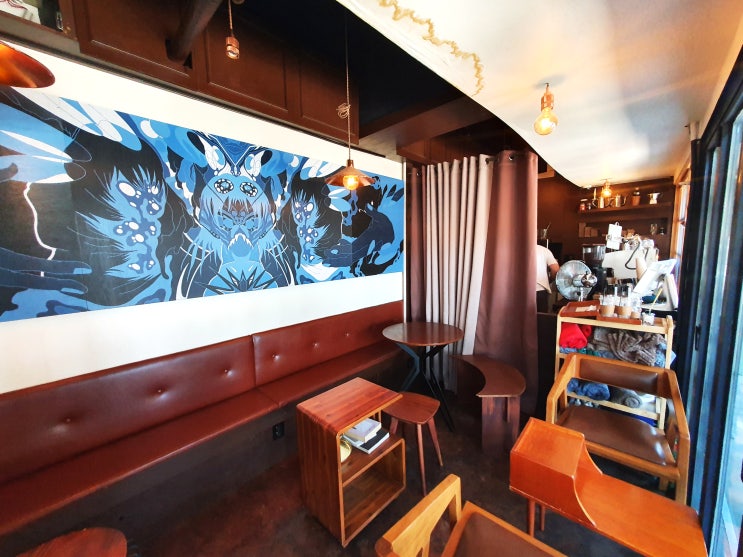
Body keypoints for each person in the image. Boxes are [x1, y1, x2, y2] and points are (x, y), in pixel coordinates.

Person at [536, 243, 559, 312]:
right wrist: (549, 280)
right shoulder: (544, 250)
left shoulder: (514, 249)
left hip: (519, 291)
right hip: (540, 289)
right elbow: (555, 270)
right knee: (541, 316)